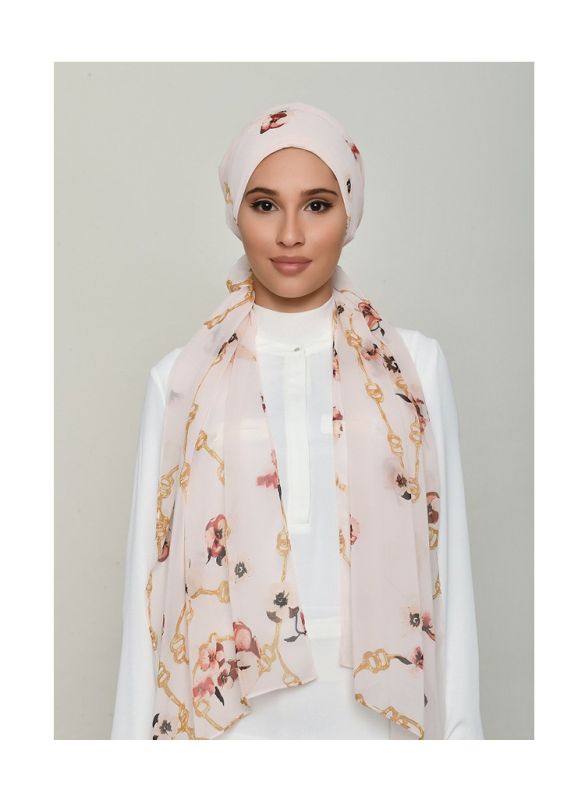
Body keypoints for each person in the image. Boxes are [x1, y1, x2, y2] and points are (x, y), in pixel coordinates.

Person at [111, 102, 484, 740]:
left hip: (380, 711)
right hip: (225, 717)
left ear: (349, 213)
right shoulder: (181, 378)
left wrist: (463, 744)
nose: (290, 234)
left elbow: (449, 567)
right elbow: (146, 586)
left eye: (316, 205)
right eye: (265, 205)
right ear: (236, 214)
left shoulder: (413, 366)